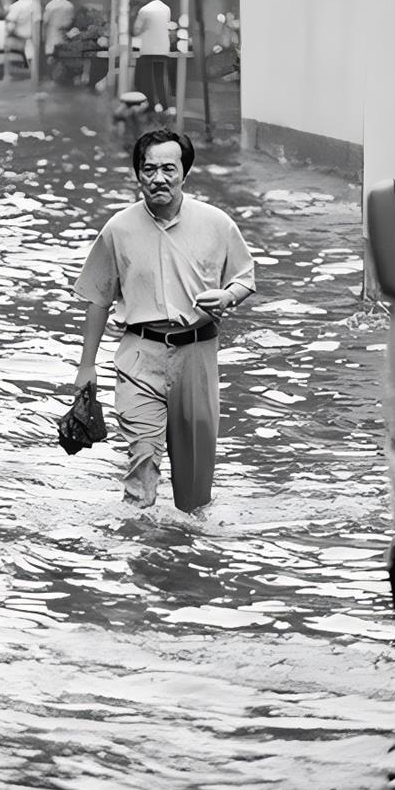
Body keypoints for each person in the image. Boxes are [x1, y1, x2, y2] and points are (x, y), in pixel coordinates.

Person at [73, 127, 255, 513]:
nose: (158, 178)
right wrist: (86, 366)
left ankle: (188, 553)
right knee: (143, 456)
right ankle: (140, 549)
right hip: (141, 354)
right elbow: (97, 299)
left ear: (184, 173)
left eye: (168, 169)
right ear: (138, 174)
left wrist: (227, 296)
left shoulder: (217, 223)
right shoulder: (118, 228)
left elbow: (244, 279)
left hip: (197, 353)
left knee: (194, 483)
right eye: (149, 169)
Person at [132, 0, 173, 112]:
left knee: (147, 79)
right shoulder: (166, 8)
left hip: (148, 49)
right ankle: (165, 105)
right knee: (161, 77)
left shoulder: (144, 10)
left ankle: (150, 106)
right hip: (163, 49)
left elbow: (137, 30)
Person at [43, 0, 75, 65]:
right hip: (66, 33)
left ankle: (52, 72)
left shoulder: (51, 5)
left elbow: (45, 20)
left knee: (51, 55)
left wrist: (43, 35)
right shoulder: (69, 5)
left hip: (53, 32)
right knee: (64, 56)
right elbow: (72, 20)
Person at [5, 0, 35, 69]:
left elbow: (11, 22)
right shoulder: (35, 4)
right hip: (34, 34)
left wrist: (8, 33)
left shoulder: (16, 5)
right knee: (31, 53)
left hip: (20, 36)